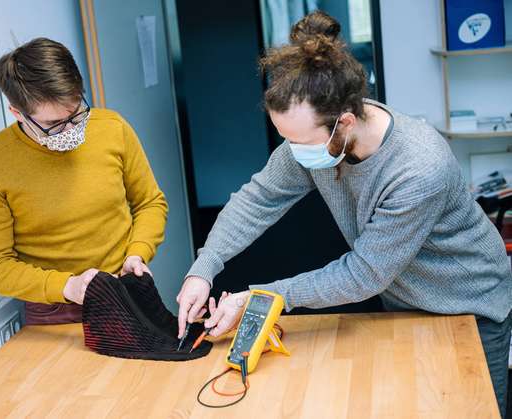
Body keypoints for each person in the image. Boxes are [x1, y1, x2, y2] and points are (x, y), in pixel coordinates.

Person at [176, 11, 512, 416]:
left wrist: (261, 299)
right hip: (404, 302)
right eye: (285, 138)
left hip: (468, 305)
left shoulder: (419, 168)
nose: (291, 150)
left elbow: (364, 273)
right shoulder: (314, 141)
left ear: (346, 122)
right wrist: (204, 267)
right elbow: (257, 198)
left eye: (299, 140)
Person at [0, 38, 168, 324]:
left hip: (127, 288)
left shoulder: (112, 128)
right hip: (56, 309)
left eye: (76, 114)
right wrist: (68, 287)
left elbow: (150, 203)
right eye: (52, 125)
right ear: (17, 114)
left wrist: (137, 253)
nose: (70, 130)